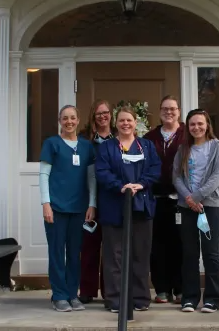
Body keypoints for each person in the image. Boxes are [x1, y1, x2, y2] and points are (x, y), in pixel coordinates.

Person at [95, 106, 161, 313]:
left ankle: (140, 298)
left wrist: (140, 184)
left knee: (140, 254)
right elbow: (102, 172)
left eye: (129, 120)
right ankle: (116, 300)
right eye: (122, 120)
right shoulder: (106, 148)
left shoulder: (147, 146)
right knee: (114, 256)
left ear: (135, 123)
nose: (125, 124)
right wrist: (121, 187)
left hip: (142, 207)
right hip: (114, 207)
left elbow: (155, 169)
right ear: (116, 123)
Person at [39, 105, 97, 312]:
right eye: (65, 118)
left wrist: (92, 203)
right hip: (56, 208)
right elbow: (44, 175)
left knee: (75, 253)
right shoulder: (51, 144)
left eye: (73, 117)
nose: (69, 122)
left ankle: (73, 294)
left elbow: (91, 177)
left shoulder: (86, 146)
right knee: (57, 252)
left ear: (78, 120)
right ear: (59, 120)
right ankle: (59, 295)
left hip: (79, 208)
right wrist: (45, 203)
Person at [172, 109, 219, 314]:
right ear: (187, 127)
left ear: (207, 125)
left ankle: (212, 299)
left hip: (209, 207)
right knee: (189, 254)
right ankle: (190, 298)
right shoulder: (183, 148)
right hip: (187, 208)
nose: (196, 127)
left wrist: (197, 197)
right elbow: (176, 176)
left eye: (200, 124)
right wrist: (188, 198)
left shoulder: (217, 147)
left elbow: (217, 175)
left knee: (211, 253)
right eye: (192, 124)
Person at [144, 95, 185, 304]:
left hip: (182, 200)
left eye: (173, 109)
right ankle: (161, 290)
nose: (169, 112)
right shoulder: (149, 137)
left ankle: (180, 289)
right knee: (157, 247)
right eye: (165, 109)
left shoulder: (187, 133)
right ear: (160, 112)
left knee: (180, 245)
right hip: (156, 199)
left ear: (179, 111)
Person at [78, 99, 114, 304]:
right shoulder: (85, 140)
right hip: (88, 200)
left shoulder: (118, 138)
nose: (103, 116)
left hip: (111, 198)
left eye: (106, 113)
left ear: (111, 115)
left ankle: (110, 290)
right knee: (89, 246)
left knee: (110, 248)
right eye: (98, 113)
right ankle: (87, 290)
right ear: (93, 116)